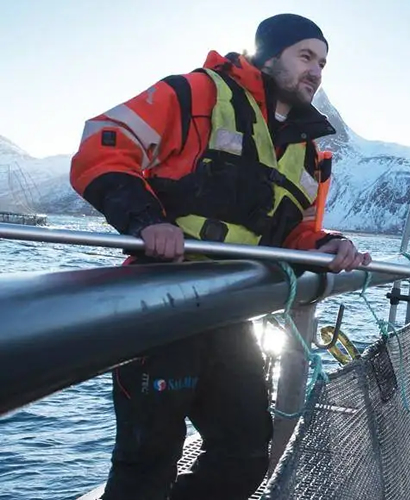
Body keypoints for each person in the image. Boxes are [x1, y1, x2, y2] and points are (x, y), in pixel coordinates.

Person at [69, 13, 370, 500]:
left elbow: (296, 231)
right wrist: (147, 221)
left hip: (232, 311)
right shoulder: (196, 94)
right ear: (268, 56)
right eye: (305, 56)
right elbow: (103, 144)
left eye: (322, 63)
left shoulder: (310, 152)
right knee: (147, 463)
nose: (316, 71)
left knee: (246, 454)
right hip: (159, 301)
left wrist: (325, 246)